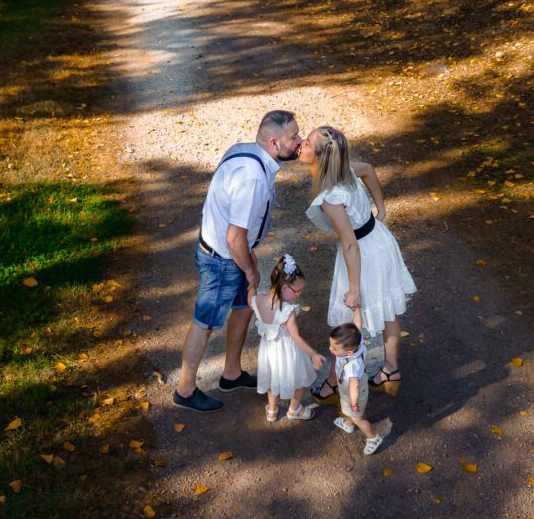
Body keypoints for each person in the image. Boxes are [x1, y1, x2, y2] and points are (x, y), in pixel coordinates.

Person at [173, 110, 302, 412]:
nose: (299, 141)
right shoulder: (253, 179)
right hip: (222, 259)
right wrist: (250, 269)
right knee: (205, 322)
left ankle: (231, 374)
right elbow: (233, 237)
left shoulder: (246, 151)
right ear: (273, 143)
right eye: (293, 137)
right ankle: (185, 389)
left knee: (244, 308)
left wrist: (248, 254)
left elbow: (236, 226)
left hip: (235, 251)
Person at [298, 126, 416, 405]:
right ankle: (390, 370)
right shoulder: (344, 168)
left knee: (346, 322)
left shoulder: (330, 197)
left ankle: (333, 384)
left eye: (307, 142)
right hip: (379, 240)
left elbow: (350, 244)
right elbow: (369, 169)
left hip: (363, 254)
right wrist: (381, 208)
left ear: (322, 157)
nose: (302, 144)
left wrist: (353, 289)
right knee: (388, 312)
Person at [248, 254, 326, 422]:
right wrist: (313, 354)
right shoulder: (287, 311)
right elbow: (296, 337)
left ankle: (272, 411)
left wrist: (252, 286)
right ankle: (294, 409)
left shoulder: (259, 300)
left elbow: (250, 299)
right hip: (287, 352)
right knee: (298, 381)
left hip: (269, 353)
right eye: (296, 291)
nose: (297, 295)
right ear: (284, 288)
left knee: (272, 381)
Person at [328, 319, 387, 454]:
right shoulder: (356, 342)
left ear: (348, 352)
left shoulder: (352, 366)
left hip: (354, 392)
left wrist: (354, 403)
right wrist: (356, 310)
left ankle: (373, 437)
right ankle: (348, 424)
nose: (330, 349)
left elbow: (354, 385)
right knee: (349, 410)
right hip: (350, 388)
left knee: (357, 417)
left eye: (334, 348)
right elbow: (358, 324)